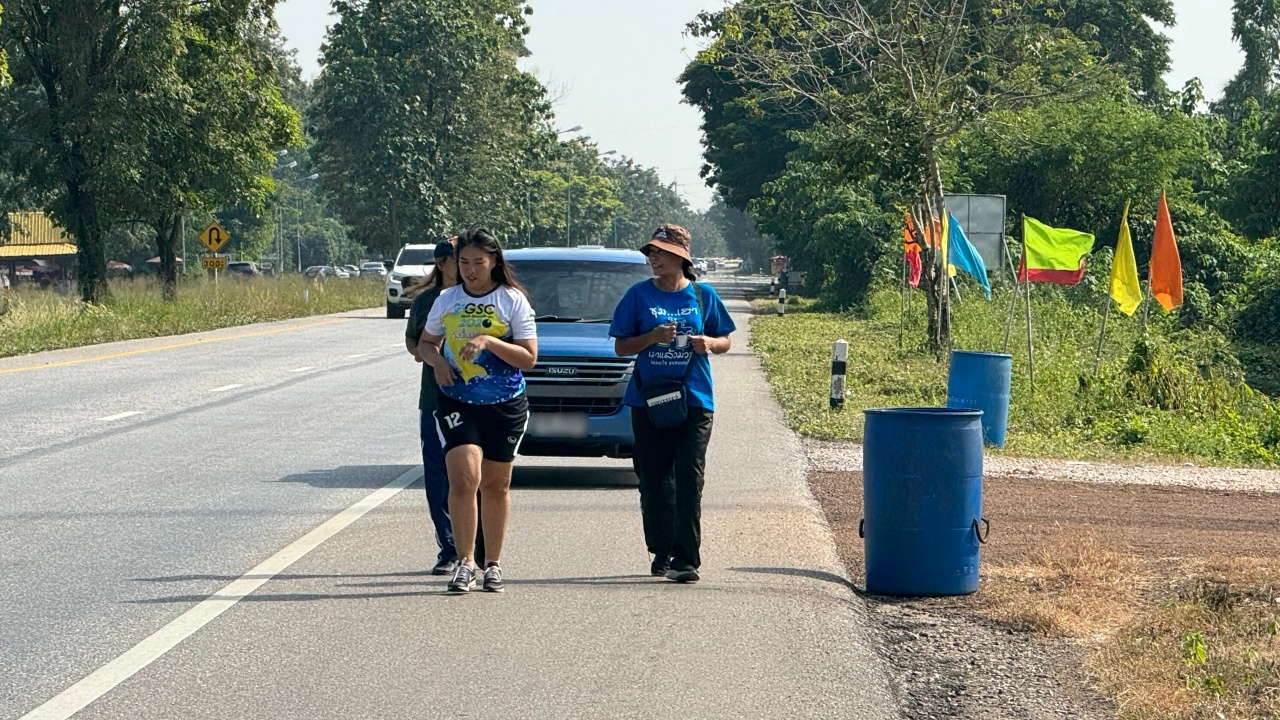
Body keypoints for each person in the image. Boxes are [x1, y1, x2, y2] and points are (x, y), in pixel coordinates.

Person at [610, 224, 736, 583]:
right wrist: (650, 337)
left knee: (689, 477)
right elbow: (621, 346)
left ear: (681, 256)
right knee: (653, 478)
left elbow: (725, 339)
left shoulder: (702, 294)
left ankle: (686, 559)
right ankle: (661, 550)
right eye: (650, 253)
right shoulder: (638, 296)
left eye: (661, 253)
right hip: (648, 400)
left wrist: (710, 343)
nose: (654, 258)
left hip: (694, 399)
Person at [419, 228, 537, 593]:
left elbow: (529, 357)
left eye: (478, 263)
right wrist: (436, 361)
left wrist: (489, 341)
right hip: (457, 401)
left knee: (495, 484)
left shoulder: (512, 300)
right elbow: (426, 343)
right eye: (464, 262)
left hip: (504, 403)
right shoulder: (446, 299)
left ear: (494, 262)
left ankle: (493, 564)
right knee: (463, 478)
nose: (470, 270)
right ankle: (465, 561)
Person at [405, 239, 464, 575]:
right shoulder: (428, 300)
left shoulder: (485, 298)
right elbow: (413, 341)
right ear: (443, 264)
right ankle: (449, 546)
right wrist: (428, 352)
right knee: (438, 474)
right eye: (460, 261)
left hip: (479, 397)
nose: (468, 267)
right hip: (436, 398)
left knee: (475, 474)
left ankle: (476, 546)